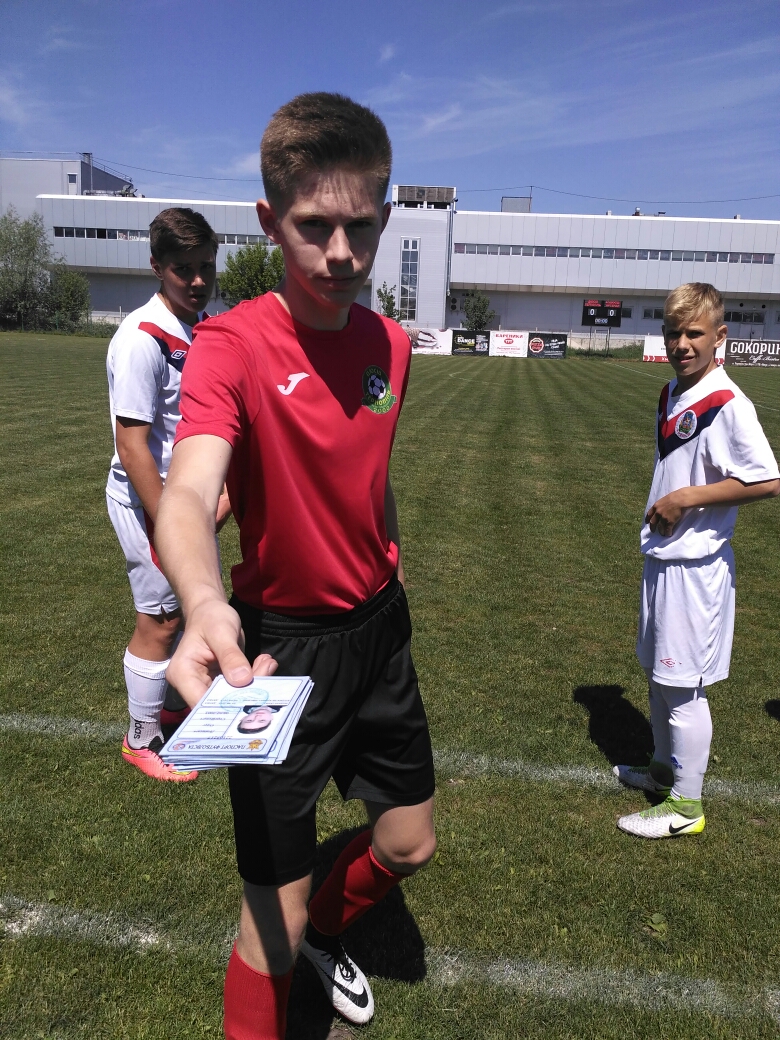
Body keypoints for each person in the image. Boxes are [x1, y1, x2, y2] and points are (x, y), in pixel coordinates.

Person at [155, 93, 436, 1038]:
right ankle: (294, 942)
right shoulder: (229, 347)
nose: (342, 253)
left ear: (386, 217)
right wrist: (204, 604)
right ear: (270, 221)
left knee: (409, 843)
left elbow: (371, 472)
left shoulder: (391, 344)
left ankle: (326, 931)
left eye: (362, 226)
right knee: (267, 926)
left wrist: (393, 562)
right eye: (315, 227)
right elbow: (189, 493)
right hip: (278, 654)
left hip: (378, 631)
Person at [613, 282, 780, 838]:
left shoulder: (729, 403)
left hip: (696, 566)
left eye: (694, 333)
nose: (681, 344)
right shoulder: (671, 392)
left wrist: (687, 498)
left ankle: (686, 809)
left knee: (683, 688)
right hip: (662, 557)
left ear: (719, 336)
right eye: (672, 333)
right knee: (659, 679)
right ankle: (663, 774)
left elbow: (766, 480)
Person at [106, 207, 229, 782]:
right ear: (157, 266)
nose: (199, 280)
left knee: (187, 609)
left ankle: (172, 710)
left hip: (184, 498)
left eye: (207, 266)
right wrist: (171, 525)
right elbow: (132, 446)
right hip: (147, 499)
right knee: (159, 620)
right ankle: (141, 739)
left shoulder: (203, 324)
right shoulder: (142, 337)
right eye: (184, 270)